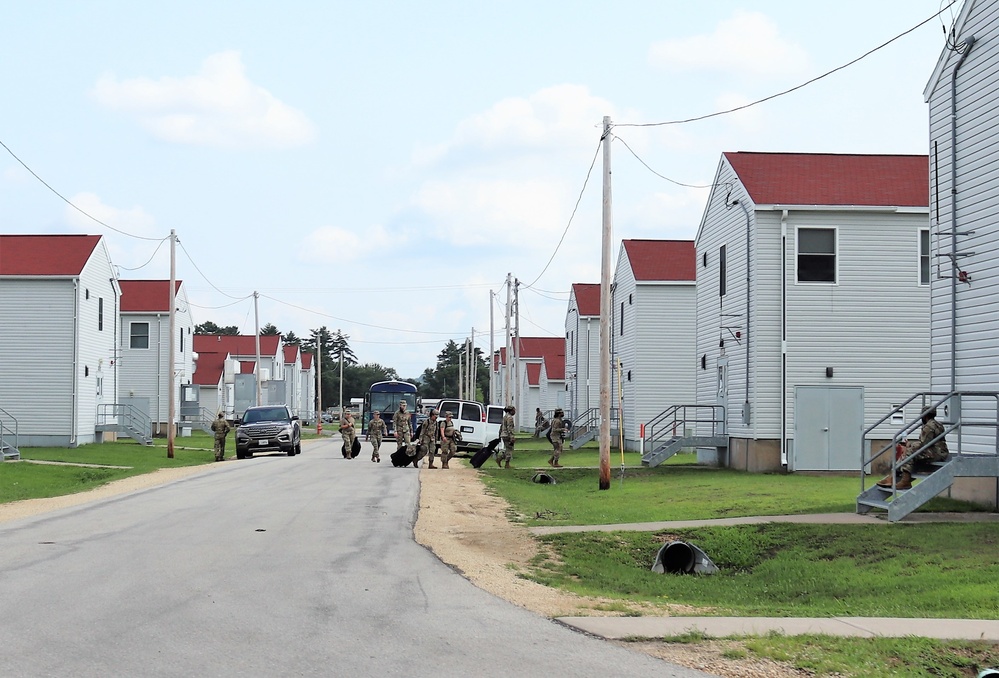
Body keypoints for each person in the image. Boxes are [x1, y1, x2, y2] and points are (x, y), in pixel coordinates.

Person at [878, 407, 950, 490]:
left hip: (936, 453)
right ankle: (892, 477)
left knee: (910, 451)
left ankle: (905, 480)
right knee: (910, 452)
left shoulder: (929, 426)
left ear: (925, 415)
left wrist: (910, 445)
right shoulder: (938, 424)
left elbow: (923, 443)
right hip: (940, 452)